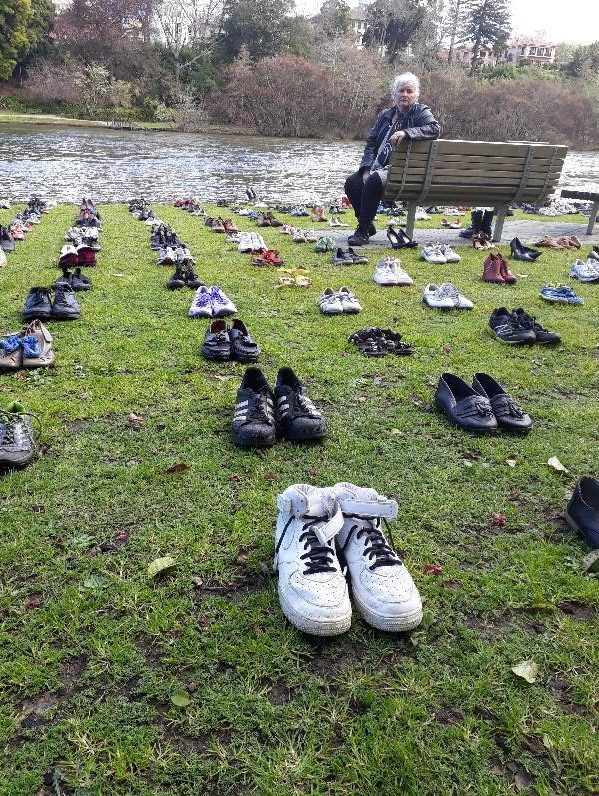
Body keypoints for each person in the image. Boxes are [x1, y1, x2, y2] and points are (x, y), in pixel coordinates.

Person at [344, 73, 441, 246]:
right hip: (377, 166)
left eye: (409, 91)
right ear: (394, 94)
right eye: (401, 91)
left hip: (402, 170)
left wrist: (406, 133)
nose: (405, 94)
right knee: (352, 182)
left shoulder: (420, 112)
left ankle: (362, 232)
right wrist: (366, 169)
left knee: (373, 181)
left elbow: (434, 129)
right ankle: (367, 224)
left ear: (416, 94)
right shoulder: (385, 114)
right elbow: (372, 143)